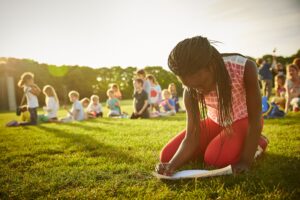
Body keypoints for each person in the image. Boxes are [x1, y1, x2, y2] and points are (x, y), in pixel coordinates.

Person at [156, 36, 268, 176]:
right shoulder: (190, 90)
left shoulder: (245, 68)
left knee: (214, 159)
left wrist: (245, 161)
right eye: (190, 86)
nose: (197, 91)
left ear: (212, 66)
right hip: (215, 122)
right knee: (167, 156)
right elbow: (192, 135)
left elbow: (255, 119)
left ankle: (258, 142)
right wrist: (171, 165)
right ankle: (226, 143)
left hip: (243, 120)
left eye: (200, 85)